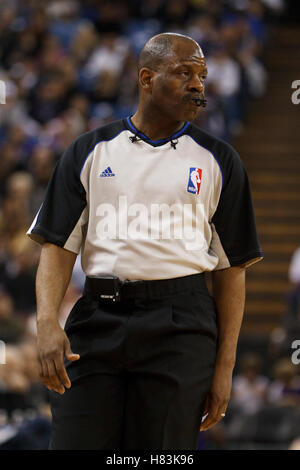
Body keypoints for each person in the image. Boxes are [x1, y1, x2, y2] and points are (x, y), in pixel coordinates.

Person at [27, 32, 263, 450]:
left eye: (203, 75)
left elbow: (232, 271)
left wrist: (224, 366)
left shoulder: (220, 160)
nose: (198, 84)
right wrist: (47, 321)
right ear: (146, 78)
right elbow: (57, 246)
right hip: (97, 318)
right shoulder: (89, 150)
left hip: (182, 325)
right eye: (184, 73)